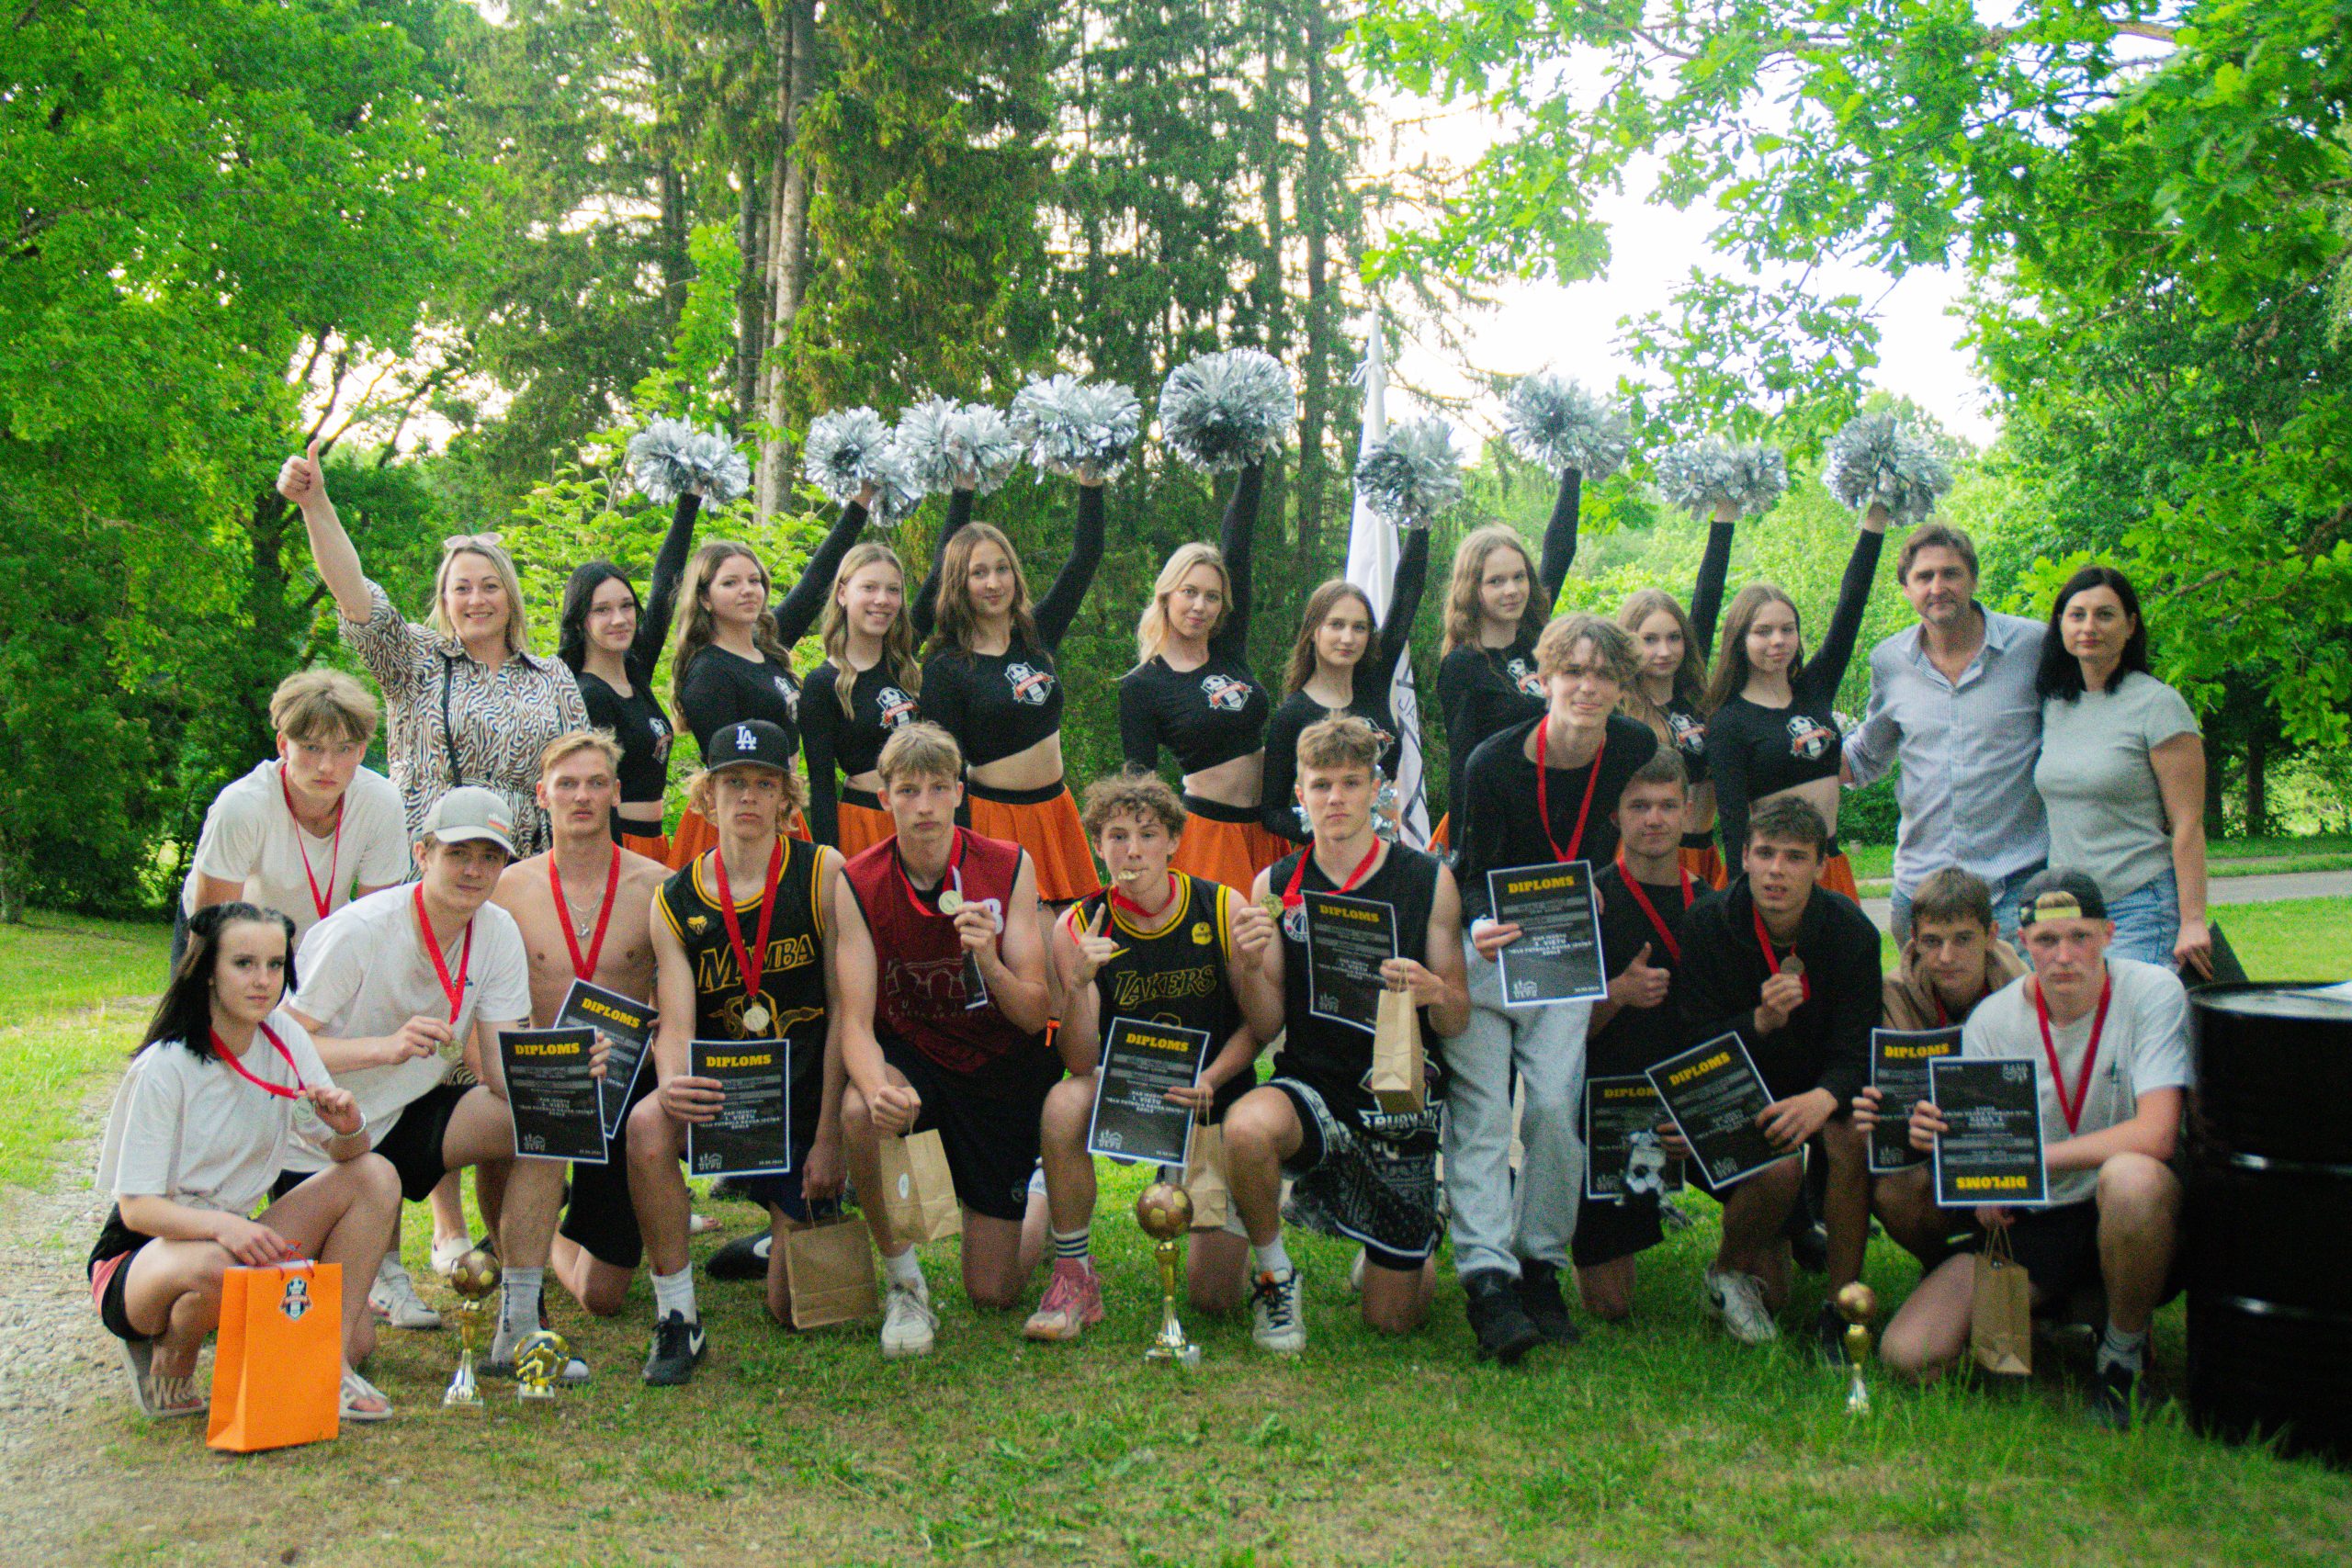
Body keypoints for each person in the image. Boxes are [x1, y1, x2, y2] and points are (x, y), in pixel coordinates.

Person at [278, 786, 588, 1381]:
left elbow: (501, 1073)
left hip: (404, 1117)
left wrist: (567, 1069)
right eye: (458, 853)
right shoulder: (361, 929)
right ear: (422, 854)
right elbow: (279, 1048)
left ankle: (520, 1325)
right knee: (348, 1346)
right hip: (317, 1137)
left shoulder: (496, 931)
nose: (474, 869)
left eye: (490, 857)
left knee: (549, 1117)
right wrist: (385, 1047)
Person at [1866, 870, 2192, 1428]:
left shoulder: (2153, 990)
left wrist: (2028, 1161)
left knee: (2132, 1178)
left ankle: (2122, 1354)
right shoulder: (1992, 1020)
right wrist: (1949, 1146)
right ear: (2021, 943)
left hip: (2124, 1206)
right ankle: (2065, 1312)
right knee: (1908, 1354)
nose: (2063, 956)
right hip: (2036, 1218)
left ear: (2108, 934)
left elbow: (2157, 1133)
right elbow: (1985, 1149)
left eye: (2080, 937)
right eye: (2046, 940)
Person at [90, 903, 398, 1422]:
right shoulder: (165, 1066)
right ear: (209, 971)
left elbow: (345, 1153)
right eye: (244, 964)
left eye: (275, 965)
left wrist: (350, 1128)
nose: (263, 981)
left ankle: (332, 1362)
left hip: (234, 1237)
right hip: (143, 1256)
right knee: (224, 1266)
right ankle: (172, 1350)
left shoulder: (284, 1037)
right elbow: (137, 1209)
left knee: (375, 1175)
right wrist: (225, 1228)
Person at [1223, 716, 1471, 1354]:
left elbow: (1458, 1018)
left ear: (1377, 790)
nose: (1335, 798)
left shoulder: (1428, 879)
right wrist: (1247, 964)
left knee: (1391, 1320)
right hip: (1312, 1085)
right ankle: (1275, 1276)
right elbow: (1267, 1023)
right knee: (1246, 1127)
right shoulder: (1275, 885)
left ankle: (1422, 1224)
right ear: (1299, 794)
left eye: (1351, 783)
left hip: (1397, 1098)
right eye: (1321, 784)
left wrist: (1434, 991)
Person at [1452, 615, 1659, 1359]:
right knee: (1482, 1116)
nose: (1587, 686)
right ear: (1543, 680)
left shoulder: (1632, 746)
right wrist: (1479, 923)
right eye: (1573, 671)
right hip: (1491, 950)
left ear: (1622, 685)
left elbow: (1632, 827)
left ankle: (1539, 1265)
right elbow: (1468, 869)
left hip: (1566, 948)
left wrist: (1595, 877)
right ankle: (1487, 1280)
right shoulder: (1493, 762)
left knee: (1550, 1108)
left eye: (1604, 673)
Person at [1023, 771, 1283, 1340]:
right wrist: (1079, 986)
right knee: (1064, 1103)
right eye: (1117, 836)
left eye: (1147, 834)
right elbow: (1079, 1060)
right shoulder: (1077, 925)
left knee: (1213, 1298)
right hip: (1130, 1090)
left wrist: (1215, 1069)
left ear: (1173, 841)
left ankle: (1242, 1209)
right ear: (1098, 846)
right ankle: (1073, 1273)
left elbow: (1264, 1026)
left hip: (1210, 1091)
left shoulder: (1221, 905)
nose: (1133, 850)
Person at [628, 719, 847, 1382]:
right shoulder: (675, 898)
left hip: (802, 1099)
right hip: (726, 1101)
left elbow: (846, 1012)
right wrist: (672, 1081)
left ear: (786, 796)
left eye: (764, 783)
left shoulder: (822, 871)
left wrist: (830, 1136)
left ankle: (778, 1235)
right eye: (732, 783)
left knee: (797, 1311)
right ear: (707, 795)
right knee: (647, 1123)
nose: (748, 796)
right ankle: (678, 1316)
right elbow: (676, 1024)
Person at [834, 722, 1062, 1356]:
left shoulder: (1008, 863)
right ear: (885, 798)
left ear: (960, 792)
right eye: (909, 791)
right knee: (860, 1110)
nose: (925, 806)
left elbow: (1034, 1012)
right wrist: (876, 1087)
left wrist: (989, 960)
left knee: (992, 1291)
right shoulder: (857, 879)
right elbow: (855, 1021)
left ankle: (1039, 1193)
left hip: (997, 1066)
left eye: (939, 788)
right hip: (917, 1057)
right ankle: (904, 1286)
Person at [277, 440, 589, 855]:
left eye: (490, 587)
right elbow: (355, 598)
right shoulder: (415, 659)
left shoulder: (551, 676)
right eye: (462, 589)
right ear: (445, 601)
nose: (476, 600)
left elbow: (584, 777)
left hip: (522, 864)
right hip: (428, 857)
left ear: (511, 596)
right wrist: (315, 504)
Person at [1674, 795, 1882, 1355]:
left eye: (1794, 857)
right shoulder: (1707, 924)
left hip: (1817, 1087)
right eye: (1765, 853)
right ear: (1742, 856)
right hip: (1737, 1093)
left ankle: (1841, 1303)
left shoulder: (1852, 933)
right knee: (1775, 1289)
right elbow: (1691, 1043)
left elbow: (1859, 1047)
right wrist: (1758, 1022)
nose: (1776, 871)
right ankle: (1727, 1271)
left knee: (1852, 1135)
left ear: (1820, 866)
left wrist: (1825, 1097)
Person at [489, 732, 671, 1318]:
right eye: (566, 784)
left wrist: (660, 1055)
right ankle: (519, 1277)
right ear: (543, 795)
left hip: (621, 1084)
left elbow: (676, 997)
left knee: (602, 1297)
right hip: (542, 1078)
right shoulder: (508, 889)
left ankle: (554, 1236)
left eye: (596, 783)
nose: (582, 796)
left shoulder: (658, 885)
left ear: (617, 793)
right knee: (494, 1126)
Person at [1842, 523, 2047, 942]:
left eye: (1950, 573)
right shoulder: (1889, 661)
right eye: (1924, 577)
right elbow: (1865, 757)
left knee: (2023, 990)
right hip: (1920, 888)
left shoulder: (2033, 646)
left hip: (2016, 884)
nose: (1938, 587)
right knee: (1923, 991)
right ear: (1906, 589)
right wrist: (1791, 752)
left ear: (1973, 579)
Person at [919, 472, 1107, 903]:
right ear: (958, 582)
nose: (994, 583)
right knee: (1022, 937)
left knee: (1074, 938)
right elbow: (946, 770)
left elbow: (1085, 558)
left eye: (1002, 569)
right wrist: (963, 857)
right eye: (979, 572)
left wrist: (1091, 485)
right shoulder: (945, 666)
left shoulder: (1036, 634)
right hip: (994, 821)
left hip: (1057, 814)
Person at [1701, 502, 1890, 897]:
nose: (1778, 641)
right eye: (1763, 631)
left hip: (1829, 865)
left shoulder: (1814, 687)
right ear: (1740, 640)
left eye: (1788, 629)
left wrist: (1875, 521)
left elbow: (1851, 606)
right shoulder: (1729, 721)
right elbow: (1734, 825)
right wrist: (1739, 898)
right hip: (1775, 875)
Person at [1115, 464, 1288, 890]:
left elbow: (1237, 544)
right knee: (1227, 931)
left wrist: (1253, 457)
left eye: (1212, 596)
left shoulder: (1227, 646)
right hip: (1210, 836)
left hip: (1267, 830)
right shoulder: (1143, 685)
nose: (1200, 606)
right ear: (1166, 595)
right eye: (1189, 592)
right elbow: (1141, 786)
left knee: (1276, 927)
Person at [1572, 750, 1701, 1322]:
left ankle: (1734, 1263)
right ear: (1615, 815)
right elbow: (1556, 1041)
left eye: (1668, 806)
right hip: (1612, 1106)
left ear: (1688, 811)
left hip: (1690, 1100)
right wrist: (1617, 992)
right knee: (1609, 1307)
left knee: (1768, 1285)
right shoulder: (1590, 902)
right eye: (1639, 806)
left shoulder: (1714, 905)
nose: (1654, 819)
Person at [2033, 566, 2211, 975]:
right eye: (2077, 615)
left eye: (2105, 615)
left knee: (2124, 1011)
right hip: (2069, 911)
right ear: (2061, 625)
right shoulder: (2056, 705)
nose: (2089, 627)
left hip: (2140, 904)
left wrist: (2193, 920)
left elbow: (2187, 823)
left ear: (2130, 626)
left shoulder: (2158, 705)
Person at [176, 670, 409, 965]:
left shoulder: (381, 804)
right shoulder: (241, 806)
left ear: (361, 752)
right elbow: (210, 935)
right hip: (231, 933)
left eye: (344, 749)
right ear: (283, 745)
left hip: (317, 943)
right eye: (312, 747)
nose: (327, 766)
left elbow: (373, 926)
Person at [1860, 866, 2028, 1268]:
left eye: (1963, 939)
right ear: (1913, 939)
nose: (1947, 957)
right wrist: (1878, 1114)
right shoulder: (1891, 995)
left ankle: (2022, 1261)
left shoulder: (2023, 991)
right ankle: (1942, 1264)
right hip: (1926, 1149)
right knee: (1893, 1190)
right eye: (1932, 942)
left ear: (1991, 935)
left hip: (2005, 1152)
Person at [1431, 466, 1589, 849]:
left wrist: (1573, 468)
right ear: (1473, 589)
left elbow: (1560, 551)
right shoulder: (1463, 666)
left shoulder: (1541, 645)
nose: (1512, 590)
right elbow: (1463, 766)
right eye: (1496, 581)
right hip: (1496, 830)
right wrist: (1465, 854)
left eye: (1519, 577)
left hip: (1555, 818)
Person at [554, 480, 707, 862]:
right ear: (580, 620)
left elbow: (665, 586)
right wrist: (620, 865)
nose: (619, 619)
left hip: (655, 843)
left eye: (626, 606)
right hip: (618, 847)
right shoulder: (588, 694)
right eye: (602, 610)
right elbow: (593, 792)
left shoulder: (634, 670)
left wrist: (691, 497)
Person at [1259, 535, 1430, 845]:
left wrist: (1419, 523)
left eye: (1359, 627)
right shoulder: (1293, 716)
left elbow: (1406, 596)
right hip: (1331, 859)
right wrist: (1337, 834)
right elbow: (1273, 813)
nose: (1348, 638)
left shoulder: (1373, 683)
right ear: (1314, 631)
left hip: (1386, 852)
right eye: (1336, 625)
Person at [1613, 502, 1736, 885]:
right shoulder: (1618, 712)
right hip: (1643, 857)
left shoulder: (1700, 702)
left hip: (1703, 853)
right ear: (1628, 643)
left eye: (1673, 637)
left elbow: (1708, 595)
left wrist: (1725, 514)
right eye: (1649, 640)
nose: (1664, 651)